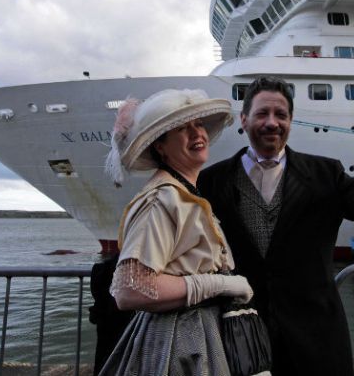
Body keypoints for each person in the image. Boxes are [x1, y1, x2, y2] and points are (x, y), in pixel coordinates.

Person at [198, 76, 354, 376]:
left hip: (316, 342)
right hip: (241, 341)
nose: (272, 122)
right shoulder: (211, 182)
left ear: (290, 121)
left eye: (281, 115)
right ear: (244, 120)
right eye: (262, 114)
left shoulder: (326, 174)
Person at [98, 88, 256, 376]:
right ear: (161, 146)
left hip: (198, 335)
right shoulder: (163, 199)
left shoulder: (183, 193)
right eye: (182, 128)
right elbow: (129, 289)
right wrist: (219, 285)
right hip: (178, 343)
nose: (197, 134)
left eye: (199, 125)